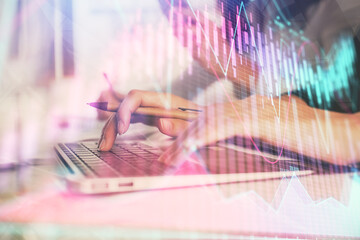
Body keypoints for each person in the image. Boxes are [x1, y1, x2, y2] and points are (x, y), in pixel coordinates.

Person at [97, 0, 360, 166]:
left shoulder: (319, 12)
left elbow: (329, 102)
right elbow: (300, 104)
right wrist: (200, 117)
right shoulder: (244, 17)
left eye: (187, 18)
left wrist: (229, 62)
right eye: (175, 21)